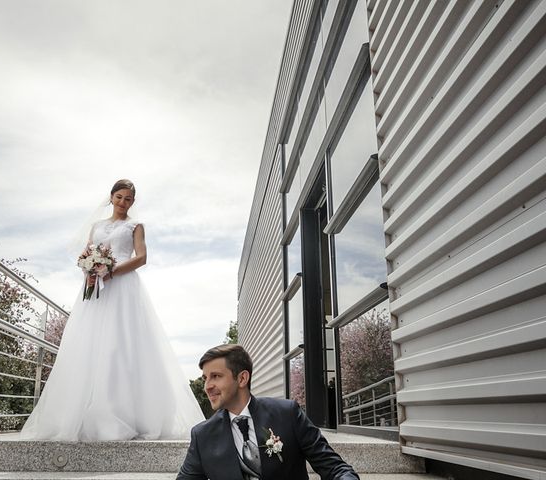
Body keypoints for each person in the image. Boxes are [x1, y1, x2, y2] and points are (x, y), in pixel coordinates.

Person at [20, 179, 204, 441]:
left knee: (121, 343)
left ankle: (124, 414)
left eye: (128, 199)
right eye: (119, 197)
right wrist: (91, 270)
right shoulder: (96, 226)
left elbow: (141, 257)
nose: (122, 203)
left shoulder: (135, 226)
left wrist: (111, 271)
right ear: (111, 197)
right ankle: (82, 413)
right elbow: (85, 254)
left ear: (132, 202)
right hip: (95, 289)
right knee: (89, 343)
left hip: (123, 288)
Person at [177, 344, 360, 480]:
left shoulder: (287, 414)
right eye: (205, 378)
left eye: (215, 376)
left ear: (242, 378)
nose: (207, 386)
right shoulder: (202, 435)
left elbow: (335, 468)